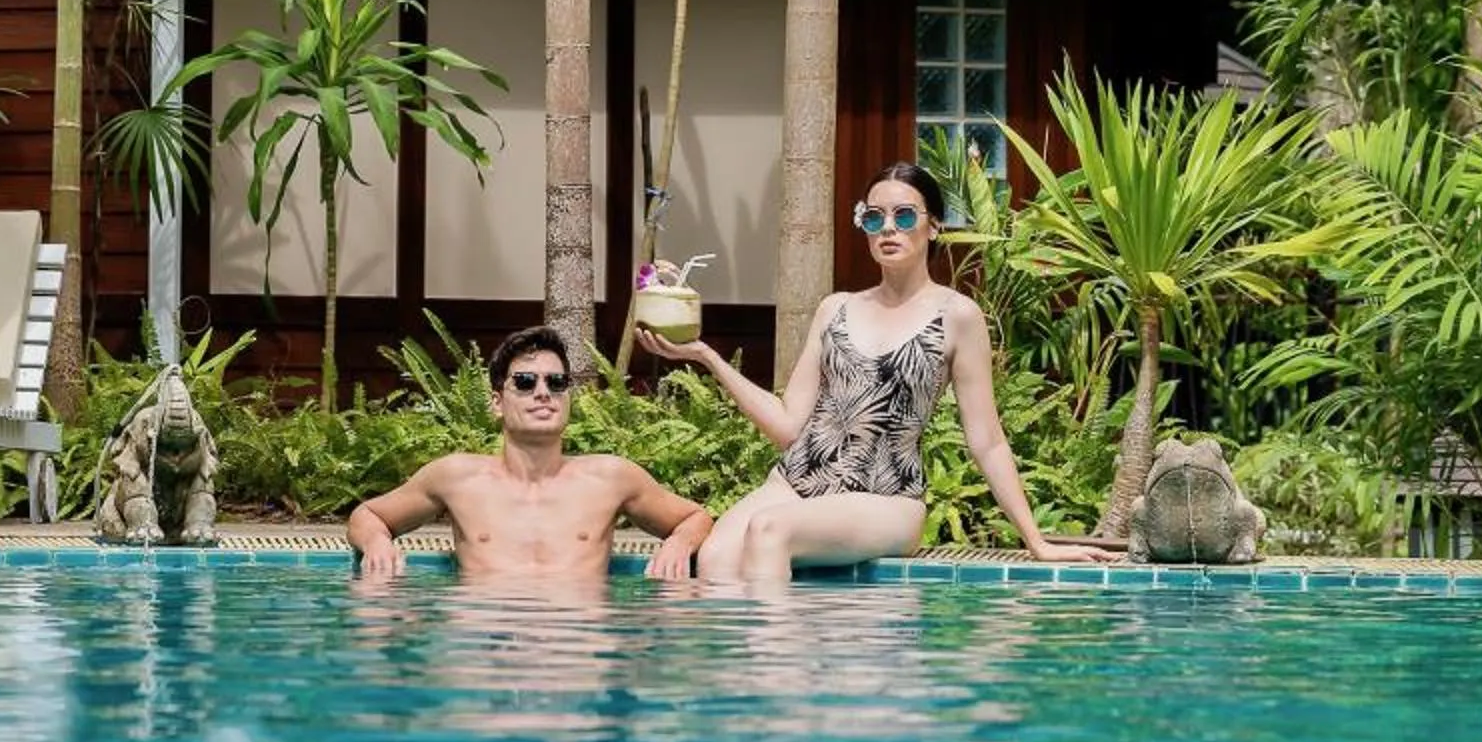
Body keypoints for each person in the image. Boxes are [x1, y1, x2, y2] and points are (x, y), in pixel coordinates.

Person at [637, 160, 1109, 582]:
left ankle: (776, 675)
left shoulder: (956, 316)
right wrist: (707, 357)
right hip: (797, 481)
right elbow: (787, 426)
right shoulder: (834, 310)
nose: (889, 229)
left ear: (934, 227)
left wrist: (1036, 541)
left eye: (904, 216)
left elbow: (986, 439)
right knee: (718, 558)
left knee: (769, 530)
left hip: (886, 496)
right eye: (874, 217)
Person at [348, 326, 713, 584]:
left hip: (573, 656)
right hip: (486, 651)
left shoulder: (610, 478)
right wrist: (377, 543)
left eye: (556, 383)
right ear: (496, 402)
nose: (543, 393)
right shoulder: (457, 478)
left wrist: (678, 544)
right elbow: (368, 515)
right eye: (525, 382)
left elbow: (696, 517)